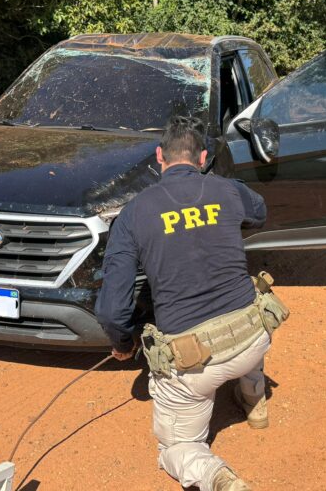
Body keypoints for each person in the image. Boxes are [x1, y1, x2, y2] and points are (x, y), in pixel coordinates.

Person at [96, 114, 271, 491]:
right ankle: (255, 400)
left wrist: (122, 345)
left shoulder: (133, 214)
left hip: (195, 366)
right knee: (247, 315)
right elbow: (260, 212)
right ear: (203, 157)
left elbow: (113, 309)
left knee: (177, 446)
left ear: (159, 156)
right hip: (253, 336)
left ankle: (215, 476)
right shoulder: (227, 189)